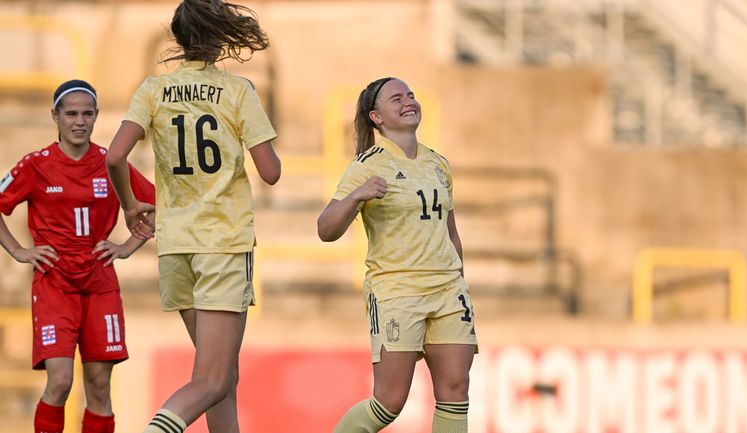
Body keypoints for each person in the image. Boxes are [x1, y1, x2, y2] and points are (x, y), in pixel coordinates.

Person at [105, 1, 280, 432]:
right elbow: (271, 173)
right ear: (220, 37)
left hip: (175, 244)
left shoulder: (152, 90)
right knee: (212, 378)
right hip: (221, 243)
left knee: (223, 378)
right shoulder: (238, 91)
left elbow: (114, 157)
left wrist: (129, 206)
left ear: (178, 39)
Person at [317, 77, 478, 433]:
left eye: (411, 95)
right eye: (396, 98)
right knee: (389, 402)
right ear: (376, 116)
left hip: (448, 291)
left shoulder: (439, 164)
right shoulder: (367, 165)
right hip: (397, 291)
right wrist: (357, 196)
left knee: (455, 391)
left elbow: (450, 231)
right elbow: (326, 229)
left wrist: (460, 282)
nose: (408, 101)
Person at [0, 79, 155, 433]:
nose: (79, 121)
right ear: (55, 116)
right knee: (60, 381)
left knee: (99, 385)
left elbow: (156, 204)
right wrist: (19, 251)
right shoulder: (35, 165)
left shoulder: (110, 162)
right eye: (71, 113)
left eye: (87, 113)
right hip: (54, 283)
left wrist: (127, 247)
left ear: (97, 116)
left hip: (100, 282)